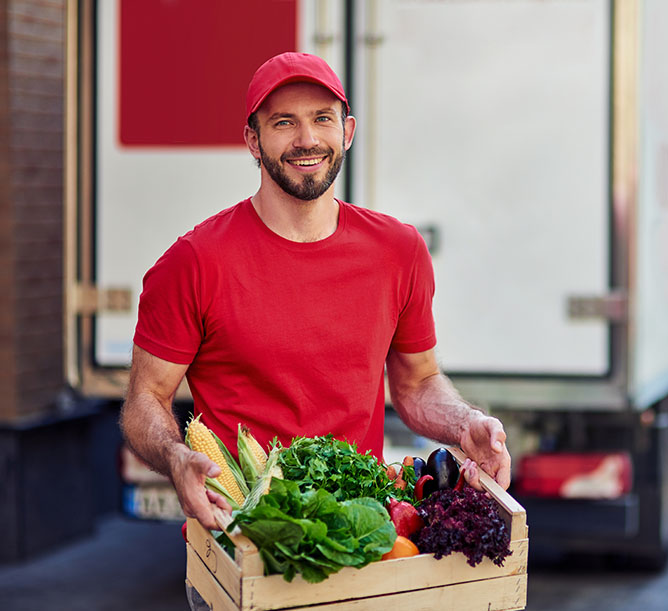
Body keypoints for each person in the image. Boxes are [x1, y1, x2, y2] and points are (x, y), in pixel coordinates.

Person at [120, 52, 510, 534]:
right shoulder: (194, 262)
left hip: (361, 531)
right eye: (284, 122)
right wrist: (176, 457)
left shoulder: (398, 250)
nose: (307, 140)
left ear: (346, 131)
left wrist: (464, 423)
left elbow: (416, 383)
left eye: (321, 119)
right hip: (241, 535)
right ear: (253, 141)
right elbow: (145, 399)